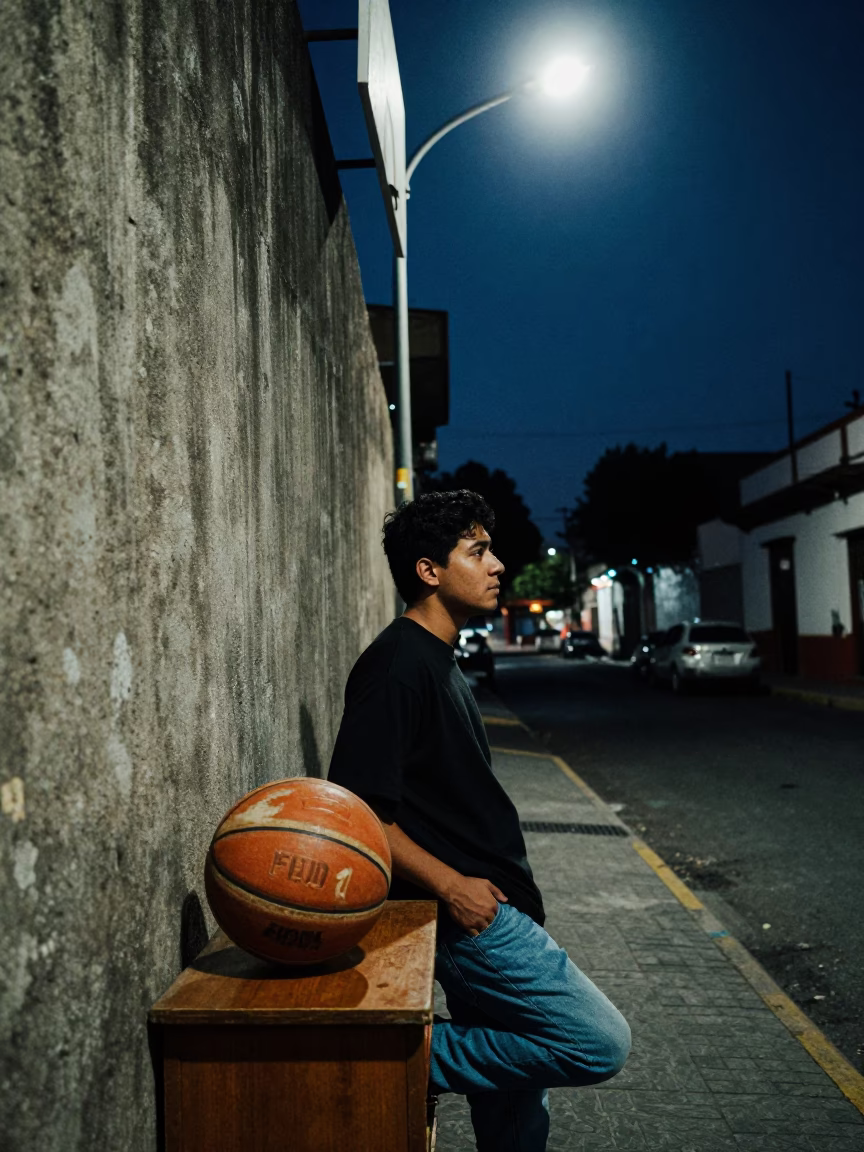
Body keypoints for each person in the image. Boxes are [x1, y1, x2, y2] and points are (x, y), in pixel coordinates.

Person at [328, 490, 630, 1152]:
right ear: (429, 571)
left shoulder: (440, 659)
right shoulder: (398, 666)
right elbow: (357, 812)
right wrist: (453, 888)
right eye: (478, 550)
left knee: (516, 1117)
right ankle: (411, 1056)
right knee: (596, 1040)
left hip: (492, 901)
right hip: (470, 916)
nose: (497, 564)